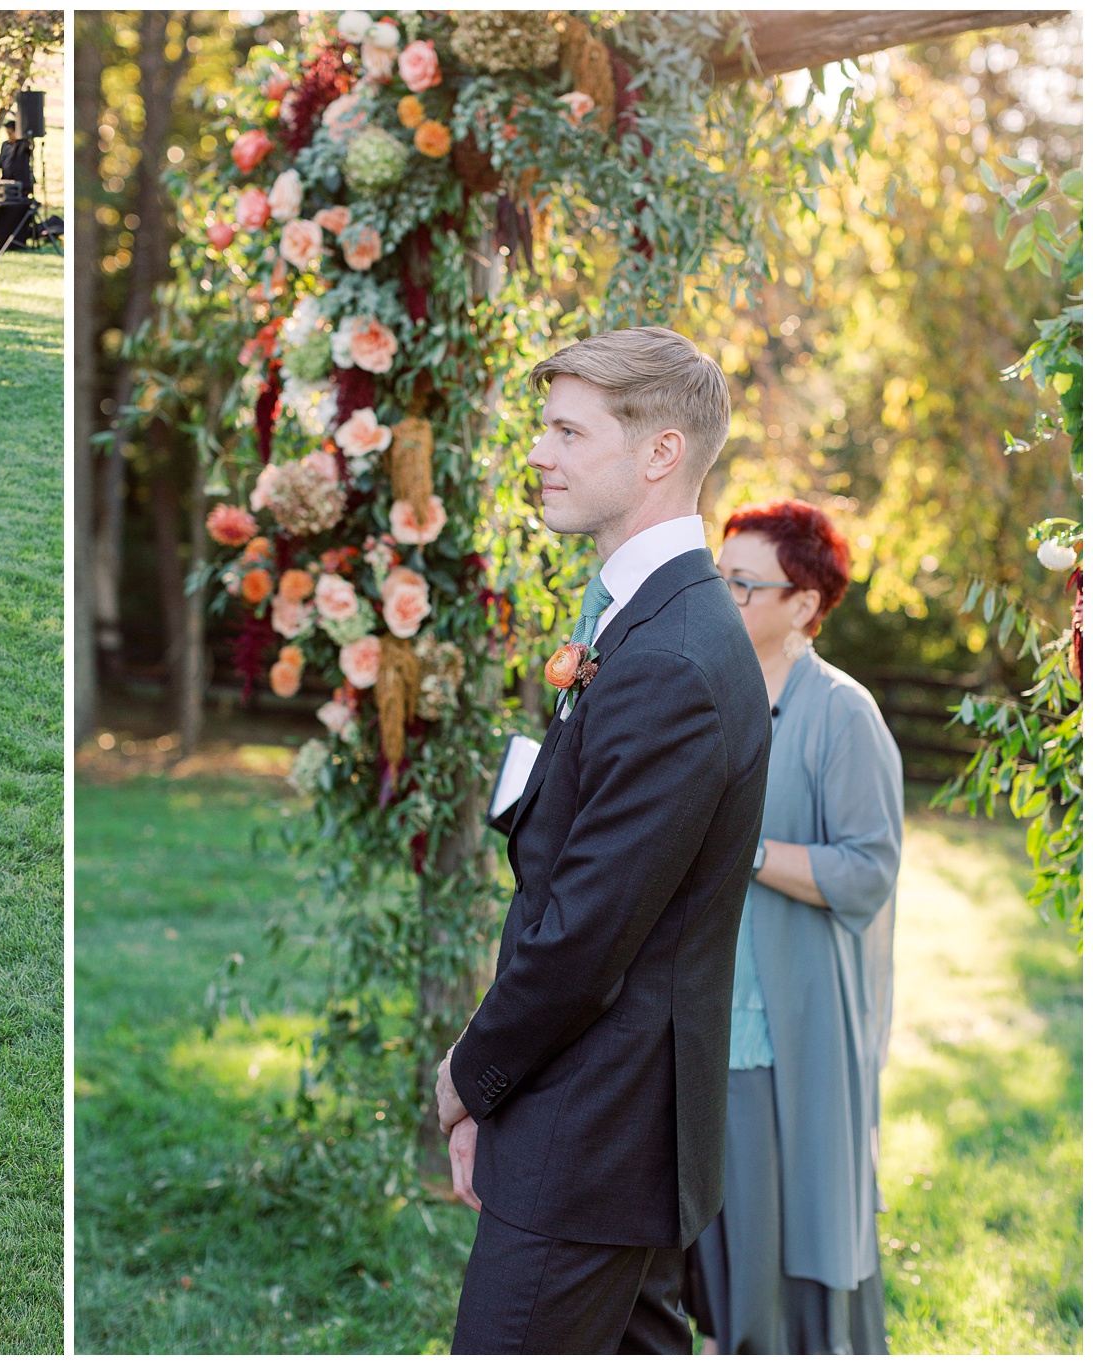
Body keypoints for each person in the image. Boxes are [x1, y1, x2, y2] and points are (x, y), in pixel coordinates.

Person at [435, 327, 771, 1353]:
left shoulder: (670, 655)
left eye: (565, 431)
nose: (536, 452)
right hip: (607, 1124)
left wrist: (467, 1078)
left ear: (658, 452)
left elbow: (586, 936)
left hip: (589, 1131)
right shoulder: (647, 622)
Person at [685, 500, 903, 1356]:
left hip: (783, 1029)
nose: (721, 597)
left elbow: (866, 869)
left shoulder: (844, 714)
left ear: (804, 605)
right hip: (700, 1010)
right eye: (717, 578)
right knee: (715, 1242)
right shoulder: (708, 690)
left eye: (742, 585)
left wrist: (746, 849)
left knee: (786, 1239)